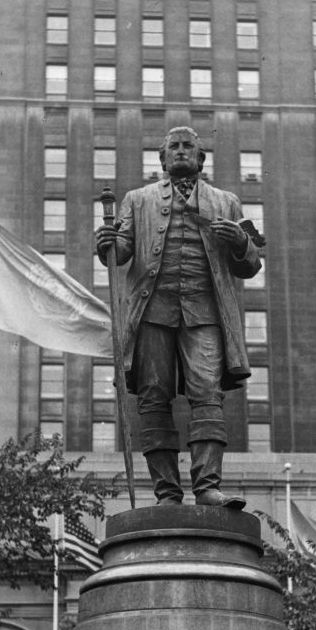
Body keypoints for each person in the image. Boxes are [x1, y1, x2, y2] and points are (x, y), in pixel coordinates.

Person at [95, 127, 262, 508]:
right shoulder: (137, 200)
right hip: (152, 313)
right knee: (154, 399)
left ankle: (207, 488)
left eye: (190, 147)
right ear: (163, 158)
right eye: (175, 147)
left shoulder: (227, 202)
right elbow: (119, 251)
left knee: (207, 394)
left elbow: (250, 265)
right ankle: (167, 493)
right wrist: (105, 242)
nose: (182, 151)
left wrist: (240, 243)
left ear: (202, 159)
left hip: (204, 313)